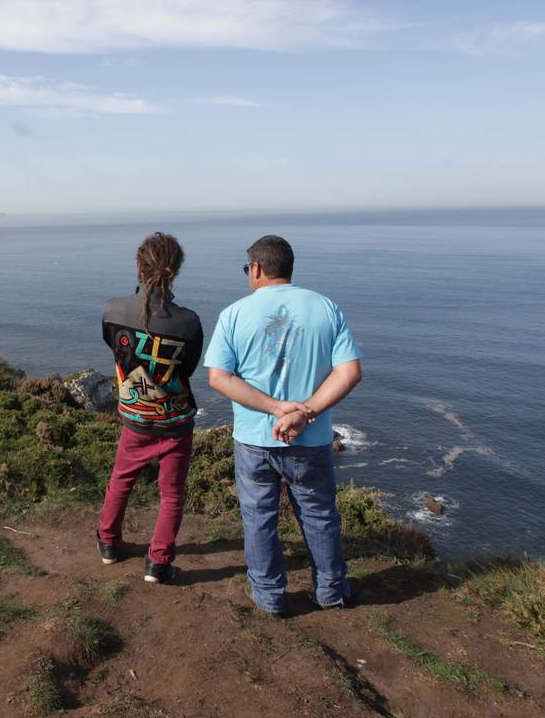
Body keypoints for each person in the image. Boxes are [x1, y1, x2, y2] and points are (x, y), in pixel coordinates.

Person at [204, 234, 363, 615]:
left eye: (248, 269)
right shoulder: (326, 308)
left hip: (254, 440)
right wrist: (304, 412)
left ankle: (269, 596)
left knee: (259, 517)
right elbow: (350, 372)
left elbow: (219, 378)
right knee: (319, 513)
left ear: (256, 268)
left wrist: (276, 408)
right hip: (311, 439)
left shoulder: (234, 314)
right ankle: (331, 591)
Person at [96, 232, 204, 585]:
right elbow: (186, 369)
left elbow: (116, 350)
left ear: (139, 267)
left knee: (121, 480)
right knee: (171, 493)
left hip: (135, 417)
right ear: (175, 271)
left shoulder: (112, 309)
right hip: (174, 421)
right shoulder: (189, 322)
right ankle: (158, 563)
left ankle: (108, 544)